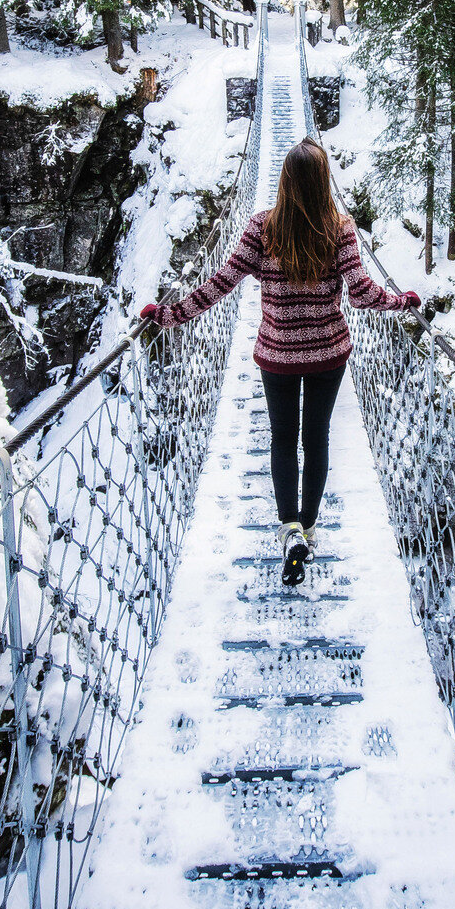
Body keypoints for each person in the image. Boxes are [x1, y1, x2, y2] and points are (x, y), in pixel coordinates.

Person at [140, 139, 419, 586]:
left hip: (278, 353)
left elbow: (220, 284)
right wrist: (401, 301)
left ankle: (288, 528)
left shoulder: (260, 228)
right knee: (318, 439)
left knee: (283, 439)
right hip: (328, 352)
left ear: (285, 182)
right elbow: (364, 294)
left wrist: (170, 315)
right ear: (323, 180)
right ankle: (308, 527)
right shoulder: (340, 228)